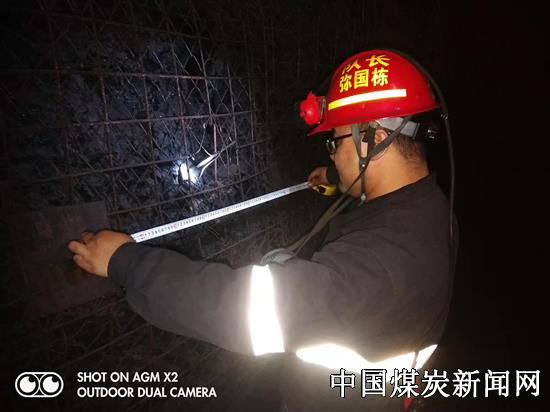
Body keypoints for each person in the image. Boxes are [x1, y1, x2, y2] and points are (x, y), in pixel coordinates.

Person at [68, 49, 455, 410]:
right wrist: (338, 179)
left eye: (335, 142)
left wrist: (124, 262)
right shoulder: (427, 207)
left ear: (375, 139)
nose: (333, 154)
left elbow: (239, 308)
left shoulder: (379, 264)